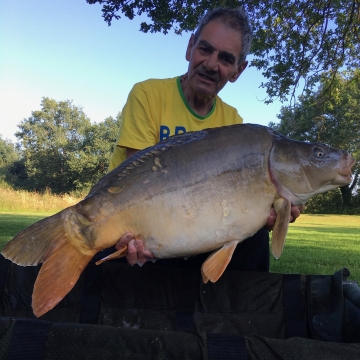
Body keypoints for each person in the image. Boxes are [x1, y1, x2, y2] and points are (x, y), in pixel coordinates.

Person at [108, 7, 303, 269]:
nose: (211, 64)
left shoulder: (234, 124)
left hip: (195, 237)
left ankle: (232, 311)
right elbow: (138, 185)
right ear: (190, 47)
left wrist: (266, 218)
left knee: (253, 241)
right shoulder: (147, 95)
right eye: (205, 49)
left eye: (225, 58)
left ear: (237, 70)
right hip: (131, 223)